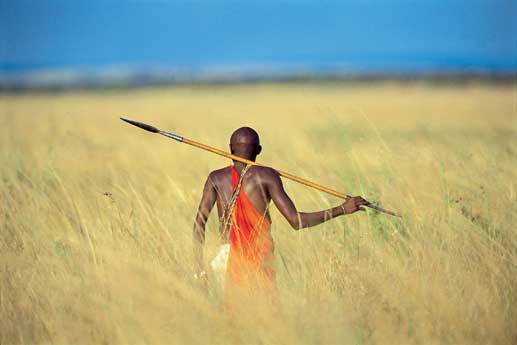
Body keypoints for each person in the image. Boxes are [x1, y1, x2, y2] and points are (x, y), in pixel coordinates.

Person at [192, 127, 368, 306]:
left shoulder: (215, 178)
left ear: (230, 148)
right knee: (266, 322)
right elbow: (296, 221)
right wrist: (342, 209)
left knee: (232, 323)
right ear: (259, 150)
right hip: (259, 260)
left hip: (225, 258)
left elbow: (199, 224)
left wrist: (199, 270)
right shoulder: (267, 176)